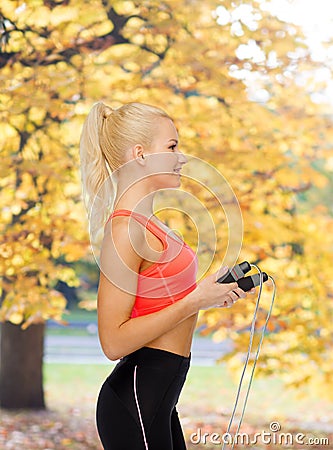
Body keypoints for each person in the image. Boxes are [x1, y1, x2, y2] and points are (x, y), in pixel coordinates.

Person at [79, 101, 254, 450]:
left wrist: (210, 292)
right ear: (141, 154)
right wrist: (195, 300)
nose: (182, 157)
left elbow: (166, 303)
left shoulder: (154, 225)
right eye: (172, 147)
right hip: (135, 401)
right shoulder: (125, 229)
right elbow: (113, 343)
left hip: (158, 401)